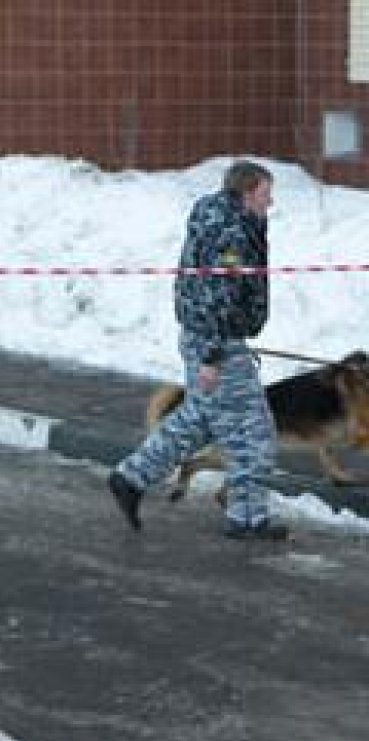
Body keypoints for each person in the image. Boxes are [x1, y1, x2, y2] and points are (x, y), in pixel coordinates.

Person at [108, 160, 288, 540]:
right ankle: (248, 518)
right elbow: (216, 293)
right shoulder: (230, 232)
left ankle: (131, 477)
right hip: (216, 342)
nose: (270, 202)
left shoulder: (217, 214)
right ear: (249, 190)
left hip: (207, 336)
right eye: (266, 193)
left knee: (199, 420)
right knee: (254, 429)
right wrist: (212, 355)